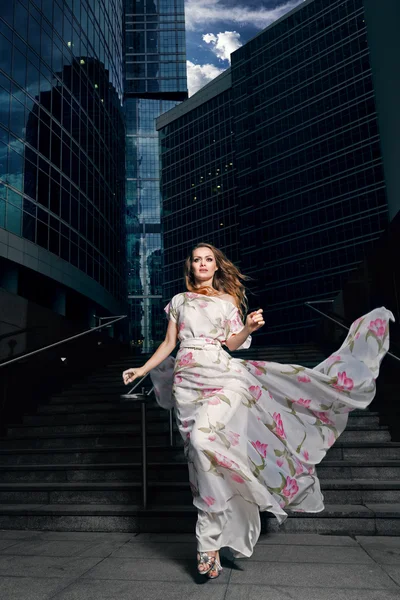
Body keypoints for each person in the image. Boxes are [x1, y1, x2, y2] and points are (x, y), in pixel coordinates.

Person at [123, 242, 394, 579]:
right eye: (197, 260)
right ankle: (210, 541)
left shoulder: (227, 302)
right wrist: (143, 370)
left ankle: (236, 506)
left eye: (209, 260)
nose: (203, 264)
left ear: (217, 267)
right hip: (187, 383)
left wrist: (248, 328)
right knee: (198, 457)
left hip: (224, 377)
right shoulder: (179, 302)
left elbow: (231, 343)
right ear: (190, 267)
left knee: (204, 440)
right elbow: (168, 344)